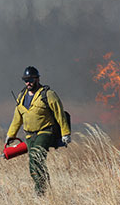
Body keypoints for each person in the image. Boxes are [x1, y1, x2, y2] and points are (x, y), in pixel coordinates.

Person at [5, 66, 71, 196]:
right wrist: (10, 135)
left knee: (37, 156)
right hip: (30, 135)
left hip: (45, 132)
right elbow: (17, 118)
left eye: (30, 80)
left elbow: (60, 114)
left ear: (37, 79)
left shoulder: (48, 94)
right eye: (25, 80)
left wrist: (65, 133)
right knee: (32, 165)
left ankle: (40, 192)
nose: (28, 83)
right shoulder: (21, 97)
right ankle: (44, 188)